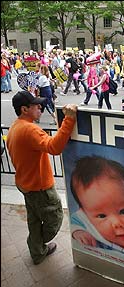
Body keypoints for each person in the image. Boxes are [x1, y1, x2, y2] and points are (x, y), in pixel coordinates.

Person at [6, 90, 78, 265]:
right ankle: (36, 245)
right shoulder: (30, 129)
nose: (40, 107)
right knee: (55, 217)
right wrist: (68, 119)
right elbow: (54, 147)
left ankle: (37, 252)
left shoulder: (15, 126)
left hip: (24, 184)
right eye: (36, 105)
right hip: (39, 187)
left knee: (35, 219)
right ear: (24, 109)